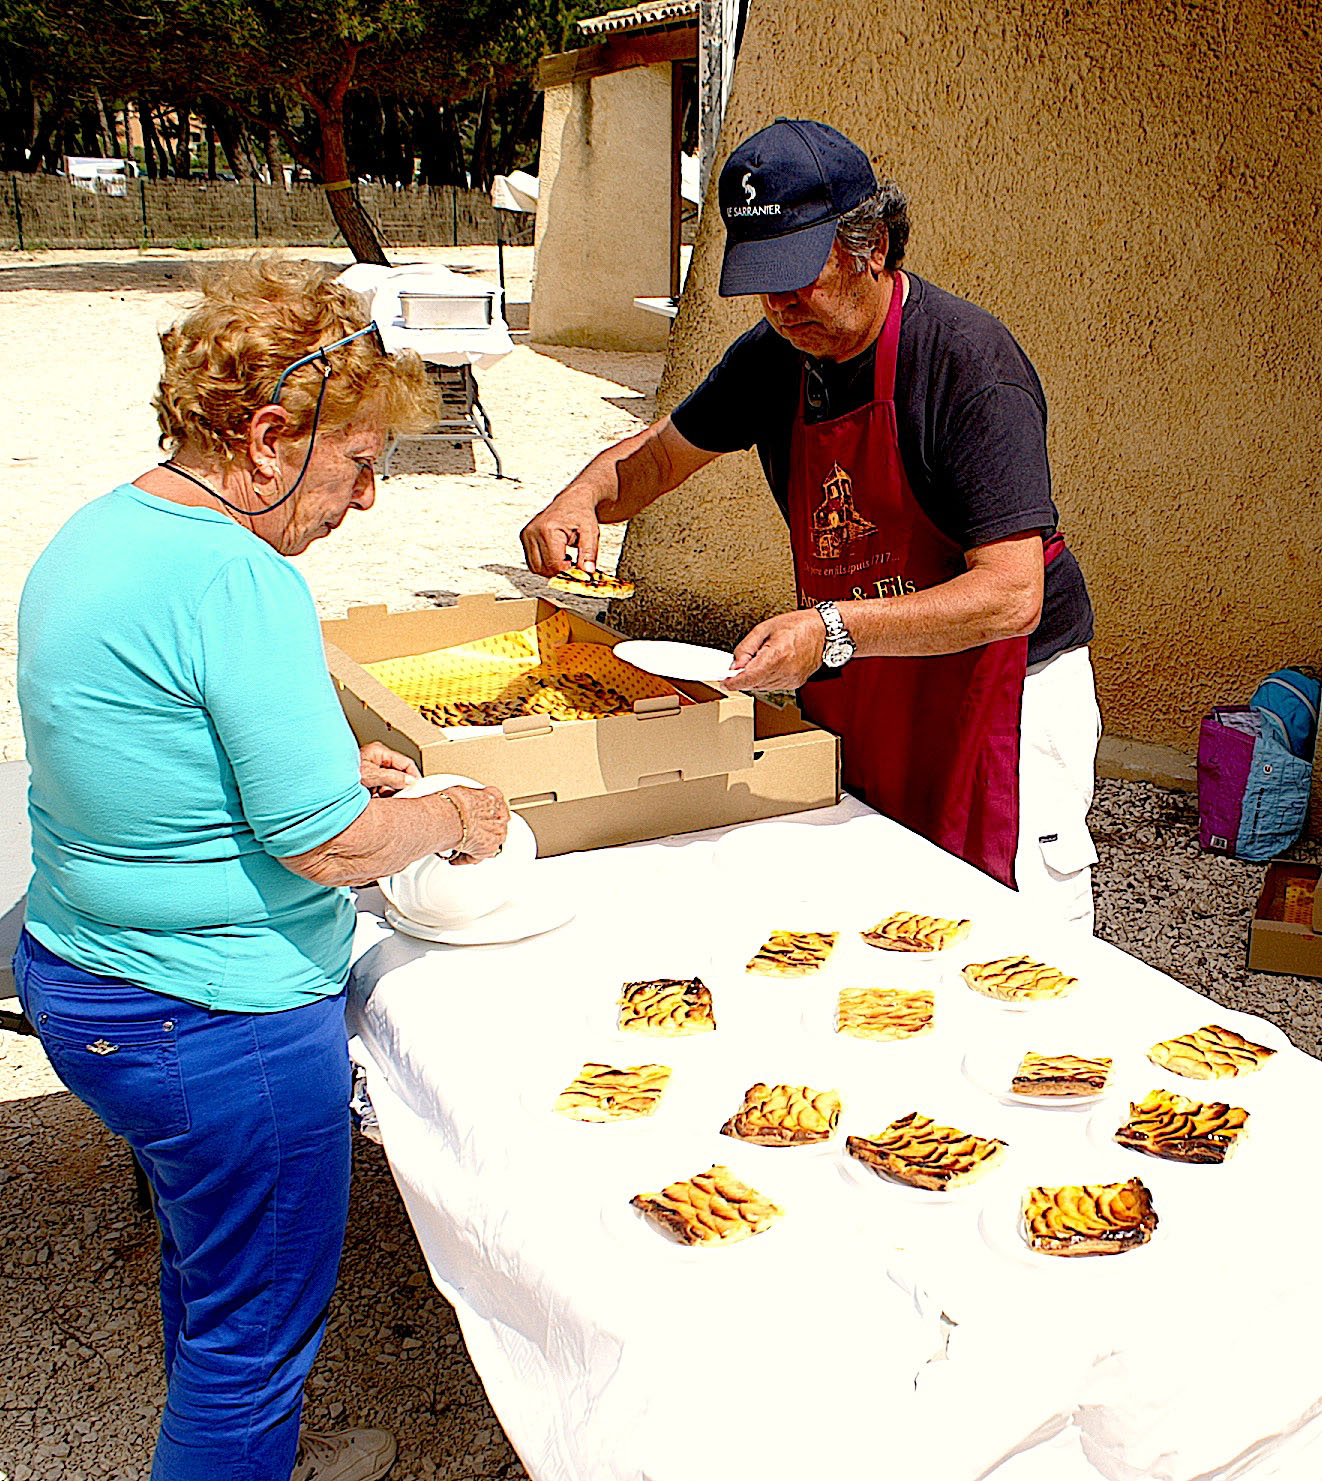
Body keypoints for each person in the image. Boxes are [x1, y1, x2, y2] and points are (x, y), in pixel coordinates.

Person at [13, 258, 511, 1481]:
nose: (367, 497)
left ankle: (254, 1449)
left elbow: (157, 746)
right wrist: (449, 809)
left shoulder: (105, 528)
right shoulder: (240, 575)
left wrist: (332, 767)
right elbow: (329, 846)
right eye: (355, 462)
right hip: (211, 1017)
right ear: (269, 436)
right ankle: (240, 1444)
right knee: (255, 1333)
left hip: (86, 970)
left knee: (213, 1255)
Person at [522, 119, 1101, 929]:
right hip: (867, 676)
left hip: (1002, 691)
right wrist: (579, 497)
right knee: (874, 908)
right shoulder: (773, 357)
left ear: (876, 247)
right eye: (763, 280)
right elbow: (654, 460)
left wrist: (828, 631)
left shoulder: (970, 364)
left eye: (800, 276)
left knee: (1014, 933)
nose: (782, 305)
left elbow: (1011, 595)